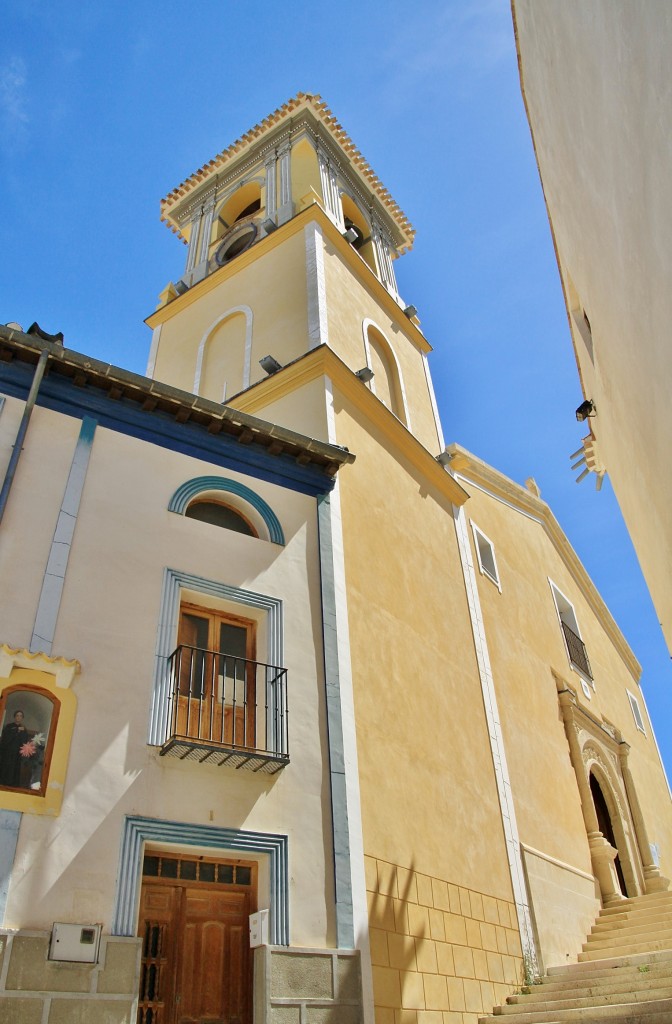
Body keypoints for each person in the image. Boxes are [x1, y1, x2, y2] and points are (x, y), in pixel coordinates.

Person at [0, 710, 30, 788]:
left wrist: (22, 732)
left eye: (20, 716)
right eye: (17, 715)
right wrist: (17, 731)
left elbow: (25, 742)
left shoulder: (24, 729)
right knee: (6, 768)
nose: (19, 717)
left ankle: (12, 786)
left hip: (17, 755)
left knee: (15, 770)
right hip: (7, 753)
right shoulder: (9, 726)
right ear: (14, 717)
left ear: (22, 718)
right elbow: (5, 739)